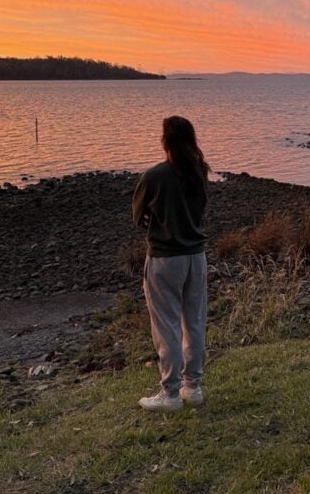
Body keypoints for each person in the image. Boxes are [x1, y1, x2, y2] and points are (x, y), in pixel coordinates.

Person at [132, 115, 211, 412]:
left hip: (165, 258)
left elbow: (138, 216)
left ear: (165, 141)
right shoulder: (199, 171)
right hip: (196, 256)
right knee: (195, 322)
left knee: (167, 325)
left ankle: (171, 393)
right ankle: (194, 387)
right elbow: (200, 209)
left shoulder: (155, 176)